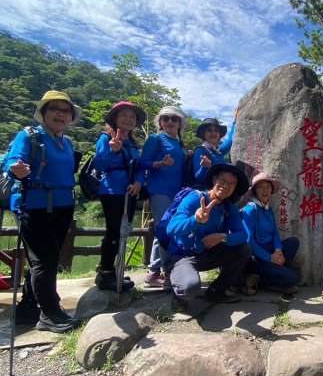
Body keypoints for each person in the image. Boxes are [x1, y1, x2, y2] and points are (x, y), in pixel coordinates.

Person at [5, 90, 83, 333]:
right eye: (54, 108)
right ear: (43, 113)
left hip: (63, 205)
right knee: (45, 260)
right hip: (33, 205)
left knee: (44, 260)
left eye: (65, 110)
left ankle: (28, 307)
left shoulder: (67, 142)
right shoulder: (28, 135)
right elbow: (12, 160)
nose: (60, 113)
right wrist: (16, 168)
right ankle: (50, 313)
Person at [167, 163, 252, 311]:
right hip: (183, 256)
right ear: (214, 180)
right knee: (189, 288)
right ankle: (178, 292)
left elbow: (243, 235)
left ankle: (216, 291)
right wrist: (195, 220)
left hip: (207, 254)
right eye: (222, 181)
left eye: (231, 184)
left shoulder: (227, 207)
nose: (226, 186)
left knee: (244, 249)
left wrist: (222, 237)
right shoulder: (194, 198)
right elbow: (171, 228)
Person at [93, 101, 146, 292]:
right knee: (114, 232)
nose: (129, 119)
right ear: (114, 118)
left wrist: (139, 182)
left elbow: (139, 167)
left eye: (132, 116)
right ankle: (105, 273)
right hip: (112, 191)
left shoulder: (132, 143)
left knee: (124, 231)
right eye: (124, 115)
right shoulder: (105, 138)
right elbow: (99, 165)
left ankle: (114, 270)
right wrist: (112, 149)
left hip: (130, 192)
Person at [140, 106, 187, 288]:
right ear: (160, 122)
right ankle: (169, 274)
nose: (169, 122)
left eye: (174, 119)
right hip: (159, 190)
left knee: (164, 231)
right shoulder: (155, 139)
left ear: (179, 124)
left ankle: (153, 273)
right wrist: (160, 163)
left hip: (176, 193)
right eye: (165, 118)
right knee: (166, 230)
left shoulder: (179, 143)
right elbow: (142, 163)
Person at [240, 173, 300, 294]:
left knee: (294, 242)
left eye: (268, 186)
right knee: (293, 278)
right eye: (260, 187)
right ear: (255, 190)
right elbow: (248, 241)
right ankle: (254, 278)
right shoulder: (250, 209)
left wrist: (278, 250)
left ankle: (274, 277)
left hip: (270, 250)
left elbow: (274, 232)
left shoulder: (268, 208)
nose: (265, 190)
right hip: (256, 258)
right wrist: (270, 257)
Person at [193, 106, 238, 188]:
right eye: (209, 130)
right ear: (204, 134)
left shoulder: (218, 150)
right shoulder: (200, 151)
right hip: (208, 195)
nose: (213, 133)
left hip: (221, 192)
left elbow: (230, 140)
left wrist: (235, 120)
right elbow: (198, 178)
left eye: (216, 130)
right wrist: (204, 167)